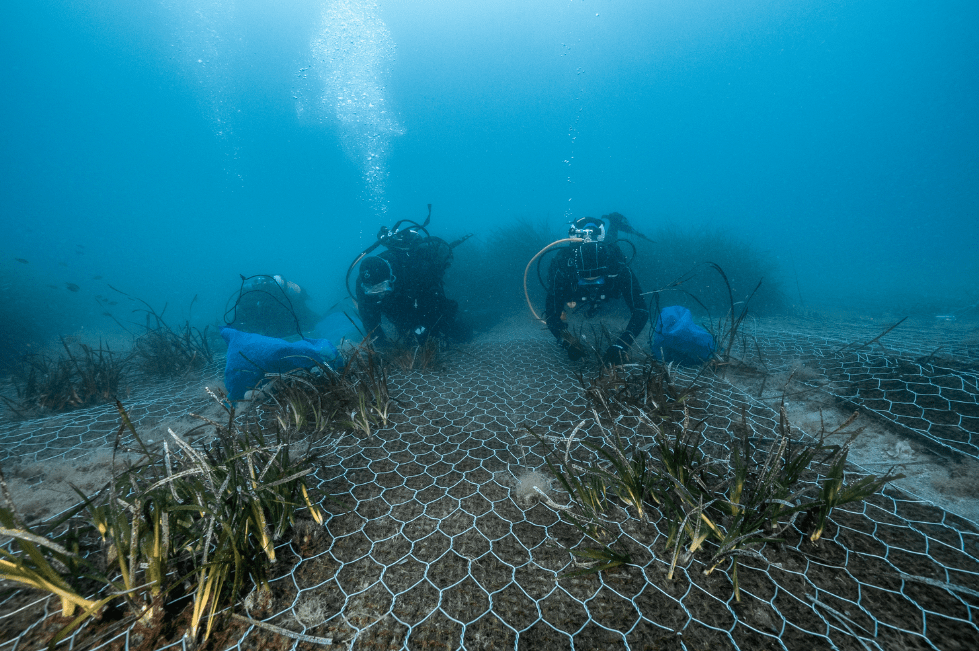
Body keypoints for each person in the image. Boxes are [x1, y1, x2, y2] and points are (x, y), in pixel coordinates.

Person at [543, 214, 649, 365]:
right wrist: (567, 342)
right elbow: (552, 314)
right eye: (585, 279)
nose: (591, 284)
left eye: (597, 278)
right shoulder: (563, 266)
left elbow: (641, 310)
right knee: (609, 241)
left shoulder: (615, 262)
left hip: (607, 290)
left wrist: (622, 344)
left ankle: (614, 223)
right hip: (575, 294)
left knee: (610, 241)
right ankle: (614, 223)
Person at [356, 228, 471, 348]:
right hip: (397, 310)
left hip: (421, 301)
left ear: (392, 278)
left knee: (462, 334)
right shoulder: (363, 283)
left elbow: (432, 297)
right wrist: (383, 347)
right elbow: (369, 320)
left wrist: (422, 326)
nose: (378, 294)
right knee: (411, 338)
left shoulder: (411, 270)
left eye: (381, 287)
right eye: (371, 290)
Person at [228, 274, 319, 339]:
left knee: (312, 323)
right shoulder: (251, 301)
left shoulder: (253, 300)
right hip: (286, 324)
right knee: (313, 322)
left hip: (286, 323)